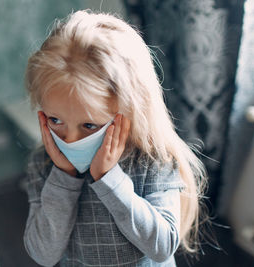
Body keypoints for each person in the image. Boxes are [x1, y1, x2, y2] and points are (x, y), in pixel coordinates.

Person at [23, 9, 210, 267]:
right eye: (55, 121)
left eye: (89, 125)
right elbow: (43, 254)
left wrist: (108, 180)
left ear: (130, 110)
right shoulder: (43, 165)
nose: (71, 140)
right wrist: (63, 179)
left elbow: (162, 247)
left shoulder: (152, 160)